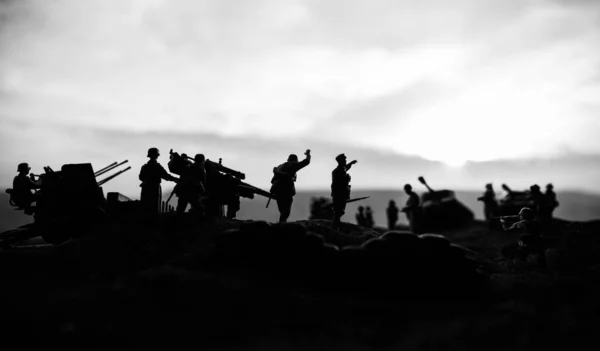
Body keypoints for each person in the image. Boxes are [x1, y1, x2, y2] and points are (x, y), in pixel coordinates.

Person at [270, 150, 311, 222]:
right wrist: (308, 155)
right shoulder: (293, 165)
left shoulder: (280, 166)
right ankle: (282, 226)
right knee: (286, 211)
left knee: (282, 210)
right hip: (286, 190)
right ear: (295, 161)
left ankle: (281, 224)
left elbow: (272, 180)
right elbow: (306, 162)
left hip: (277, 190)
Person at [139, 147, 178, 217]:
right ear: (155, 155)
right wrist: (175, 179)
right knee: (154, 209)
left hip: (145, 188)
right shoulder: (157, 166)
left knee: (145, 208)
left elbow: (140, 177)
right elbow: (166, 176)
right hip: (154, 188)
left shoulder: (144, 167)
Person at [331, 153, 357, 229]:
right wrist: (347, 178)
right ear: (340, 161)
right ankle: (335, 227)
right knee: (338, 212)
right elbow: (339, 183)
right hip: (339, 195)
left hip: (342, 194)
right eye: (344, 160)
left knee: (340, 212)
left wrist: (351, 163)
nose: (345, 161)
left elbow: (346, 167)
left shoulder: (341, 169)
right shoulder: (337, 171)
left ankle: (336, 226)